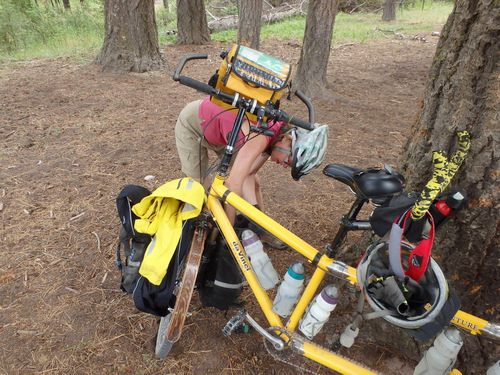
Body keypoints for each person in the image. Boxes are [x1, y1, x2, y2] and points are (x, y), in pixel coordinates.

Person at [175, 96, 295, 248]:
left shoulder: (275, 135)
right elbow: (233, 184)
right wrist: (229, 232)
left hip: (226, 134)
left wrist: (254, 219)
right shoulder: (262, 135)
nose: (284, 166)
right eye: (287, 161)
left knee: (254, 183)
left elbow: (249, 174)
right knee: (201, 189)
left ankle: (261, 229)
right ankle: (213, 234)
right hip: (195, 125)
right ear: (286, 139)